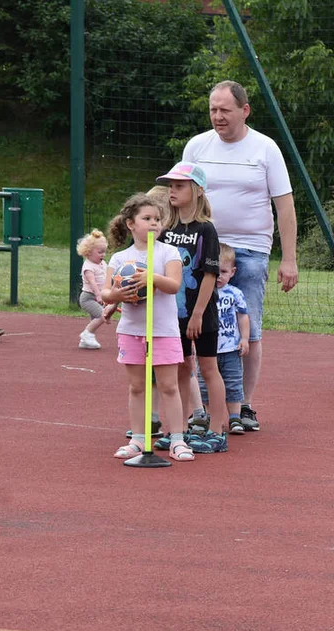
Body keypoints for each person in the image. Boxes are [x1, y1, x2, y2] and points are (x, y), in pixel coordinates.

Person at [181, 80, 299, 432]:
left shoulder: (265, 148)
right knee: (193, 324)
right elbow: (179, 194)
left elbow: (285, 205)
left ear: (244, 111)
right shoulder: (197, 146)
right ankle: (198, 407)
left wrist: (288, 258)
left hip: (249, 250)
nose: (218, 117)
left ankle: (243, 405)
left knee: (247, 327)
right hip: (202, 247)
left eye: (225, 111)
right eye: (213, 110)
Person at [102, 193, 193, 462]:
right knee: (137, 387)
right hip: (132, 330)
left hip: (163, 330)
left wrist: (151, 277)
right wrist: (118, 296)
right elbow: (107, 292)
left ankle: (177, 439)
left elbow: (174, 285)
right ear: (131, 224)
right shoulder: (120, 258)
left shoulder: (169, 252)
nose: (154, 223)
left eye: (157, 219)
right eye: (147, 218)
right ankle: (138, 440)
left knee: (169, 386)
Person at [155, 162, 229, 455]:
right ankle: (179, 430)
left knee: (208, 368)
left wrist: (198, 313)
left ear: (197, 190)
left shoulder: (206, 229)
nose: (172, 191)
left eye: (179, 186)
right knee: (182, 368)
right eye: (170, 186)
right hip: (173, 314)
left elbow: (210, 274)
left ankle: (217, 431)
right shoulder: (167, 229)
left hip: (201, 313)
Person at [199, 243, 250, 436]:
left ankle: (235, 417)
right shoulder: (203, 293)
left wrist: (245, 338)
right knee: (205, 385)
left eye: (223, 271)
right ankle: (212, 417)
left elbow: (243, 316)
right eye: (214, 271)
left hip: (230, 348)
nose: (218, 276)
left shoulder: (235, 294)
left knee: (233, 383)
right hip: (208, 348)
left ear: (232, 272)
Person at [76, 229, 112, 350]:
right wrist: (99, 295)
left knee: (95, 319)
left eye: (104, 252)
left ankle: (84, 341)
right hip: (88, 297)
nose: (103, 255)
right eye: (100, 252)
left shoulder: (102, 264)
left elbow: (107, 278)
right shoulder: (88, 267)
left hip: (98, 297)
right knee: (103, 316)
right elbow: (93, 283)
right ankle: (86, 334)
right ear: (88, 252)